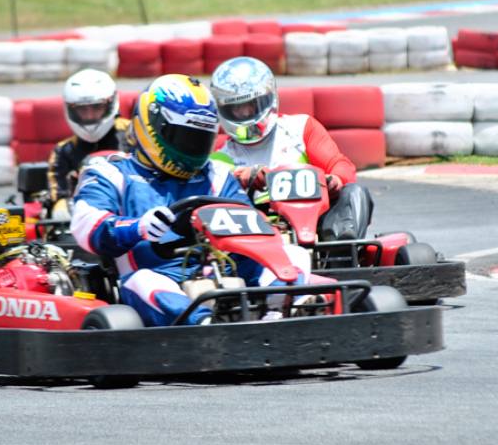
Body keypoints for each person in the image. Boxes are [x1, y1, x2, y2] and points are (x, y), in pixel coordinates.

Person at [70, 74, 312, 327]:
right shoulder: (112, 173)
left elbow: (250, 224)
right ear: (154, 127)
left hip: (225, 271)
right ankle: (204, 325)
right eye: (185, 138)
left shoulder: (216, 174)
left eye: (200, 139)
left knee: (293, 255)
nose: (192, 148)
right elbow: (87, 225)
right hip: (158, 275)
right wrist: (138, 227)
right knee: (144, 281)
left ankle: (278, 315)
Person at [208, 57, 373, 240]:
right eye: (237, 108)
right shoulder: (220, 159)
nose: (246, 114)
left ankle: (340, 254)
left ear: (268, 98)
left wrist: (335, 179)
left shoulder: (300, 129)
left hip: (314, 222)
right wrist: (242, 177)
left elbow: (339, 164)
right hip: (253, 231)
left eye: (251, 105)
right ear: (224, 110)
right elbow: (212, 191)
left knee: (353, 192)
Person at [46, 68, 130, 204]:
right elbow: (59, 197)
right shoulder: (63, 151)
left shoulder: (134, 135)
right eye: (82, 109)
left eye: (97, 107)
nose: (89, 116)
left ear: (110, 104)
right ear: (71, 110)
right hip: (86, 215)